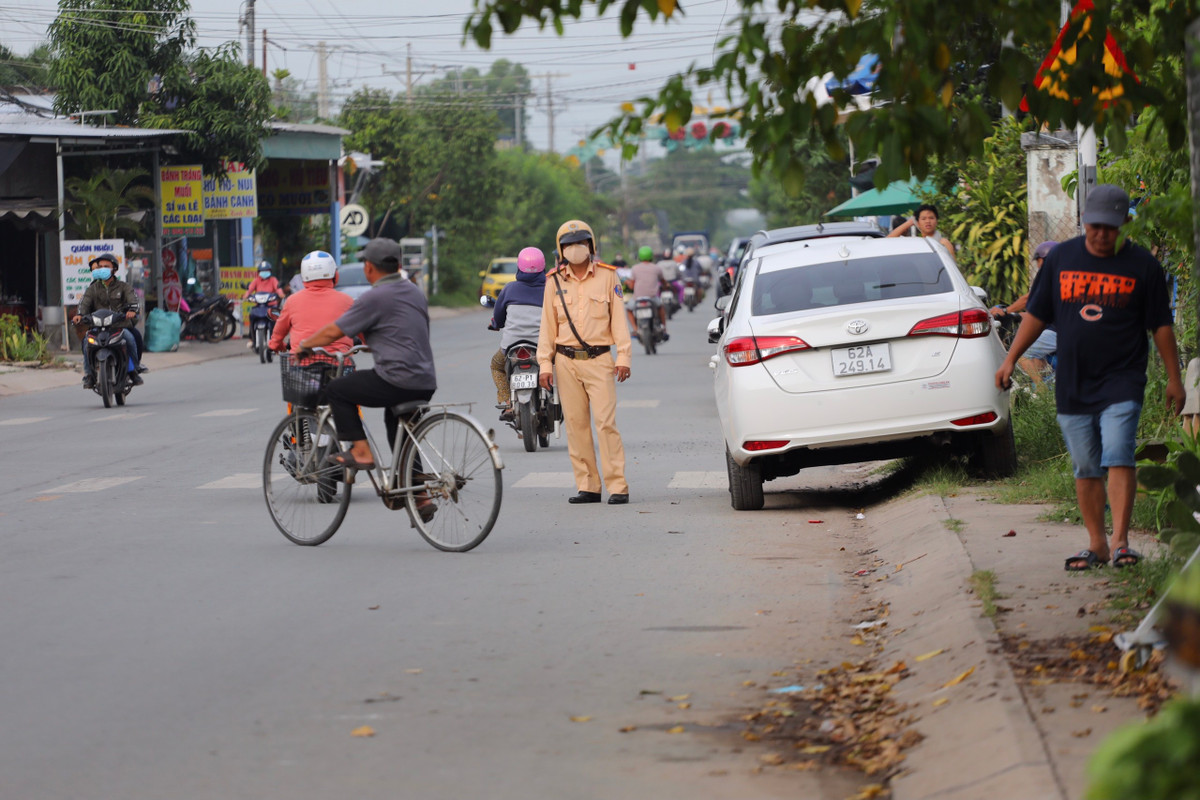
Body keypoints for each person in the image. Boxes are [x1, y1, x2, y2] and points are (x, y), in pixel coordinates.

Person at [995, 184, 1185, 572]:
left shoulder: (1142, 266)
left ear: (1125, 225)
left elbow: (1161, 325)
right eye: (1096, 225)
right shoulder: (1062, 259)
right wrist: (1011, 358)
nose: (1102, 234)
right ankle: (1097, 544)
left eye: (1111, 228)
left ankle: (1120, 542)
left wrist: (1174, 378)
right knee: (1086, 465)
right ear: (1083, 220)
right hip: (1073, 380)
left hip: (1123, 377)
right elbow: (1036, 314)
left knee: (1117, 452)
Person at [298, 238, 437, 479]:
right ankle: (418, 493)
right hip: (425, 380)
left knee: (337, 390)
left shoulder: (374, 297)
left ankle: (361, 451)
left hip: (396, 379)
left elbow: (334, 331)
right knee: (398, 425)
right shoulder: (415, 293)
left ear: (369, 267)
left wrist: (305, 345)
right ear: (398, 264)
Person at [537, 220, 633, 505]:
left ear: (591, 246)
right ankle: (588, 485)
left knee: (605, 424)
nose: (575, 249)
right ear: (560, 249)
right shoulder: (553, 281)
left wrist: (624, 357)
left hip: (600, 359)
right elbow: (547, 326)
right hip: (565, 362)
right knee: (576, 426)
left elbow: (619, 319)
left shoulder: (608, 277)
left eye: (580, 243)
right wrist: (545, 364)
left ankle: (617, 486)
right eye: (568, 244)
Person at [490, 247, 547, 421]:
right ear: (543, 267)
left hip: (511, 347)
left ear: (519, 268)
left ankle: (507, 402)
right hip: (542, 348)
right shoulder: (550, 289)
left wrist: (495, 324)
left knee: (496, 366)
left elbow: (498, 318)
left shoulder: (509, 289)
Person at [991, 240, 1060, 384]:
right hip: (1059, 328)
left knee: (1021, 353)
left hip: (1057, 331)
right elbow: (1037, 315)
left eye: (1038, 261)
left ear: (1043, 259)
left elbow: (1028, 299)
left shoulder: (1051, 275)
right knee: (1036, 358)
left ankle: (1041, 392)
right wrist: (1014, 315)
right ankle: (1043, 385)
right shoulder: (1065, 274)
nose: (1038, 266)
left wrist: (1005, 310)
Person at [72, 254, 144, 387]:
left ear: (114, 269)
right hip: (97, 327)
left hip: (120, 326)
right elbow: (84, 303)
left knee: (131, 338)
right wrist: (80, 315)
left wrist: (132, 311)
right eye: (100, 267)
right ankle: (89, 374)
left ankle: (134, 370)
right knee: (86, 341)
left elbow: (133, 300)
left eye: (106, 267)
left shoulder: (124, 287)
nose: (102, 269)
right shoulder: (92, 289)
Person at [269, 250, 354, 358]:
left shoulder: (292, 301)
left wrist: (275, 344)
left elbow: (279, 330)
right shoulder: (347, 301)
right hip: (340, 362)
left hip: (302, 363)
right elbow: (364, 331)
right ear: (335, 275)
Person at [624, 245, 669, 340]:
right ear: (651, 256)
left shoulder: (635, 268)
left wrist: (627, 282)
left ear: (639, 257)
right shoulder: (657, 268)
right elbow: (663, 282)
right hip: (652, 297)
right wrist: (666, 286)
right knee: (661, 308)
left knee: (628, 310)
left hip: (637, 298)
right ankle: (664, 329)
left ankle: (635, 330)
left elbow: (631, 286)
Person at [888, 203, 956, 257]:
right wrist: (910, 222)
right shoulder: (917, 243)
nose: (928, 221)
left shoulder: (943, 243)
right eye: (923, 219)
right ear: (918, 223)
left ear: (936, 221)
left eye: (931, 218)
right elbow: (888, 240)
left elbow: (953, 269)